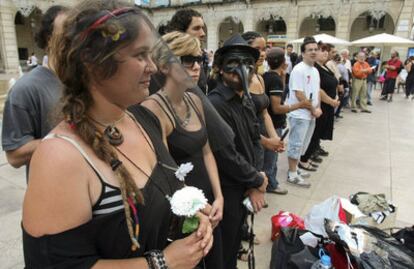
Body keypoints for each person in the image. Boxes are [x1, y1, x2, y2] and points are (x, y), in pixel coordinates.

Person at [22, 1, 213, 268]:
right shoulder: (60, 157)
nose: (154, 67)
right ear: (94, 63)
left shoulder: (144, 119)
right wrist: (162, 262)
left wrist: (192, 212)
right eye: (140, 55)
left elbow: (165, 191)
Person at [142, 31, 224, 269]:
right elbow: (165, 172)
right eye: (187, 60)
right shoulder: (153, 108)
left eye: (200, 60)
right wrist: (198, 206)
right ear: (165, 65)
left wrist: (218, 197)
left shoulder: (195, 100)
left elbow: (207, 152)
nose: (196, 67)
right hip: (182, 206)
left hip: (209, 200)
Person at [208, 34, 268, 269]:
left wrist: (257, 180)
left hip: (245, 183)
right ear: (221, 69)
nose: (241, 69)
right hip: (227, 188)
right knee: (223, 248)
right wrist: (255, 179)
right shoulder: (215, 104)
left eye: (247, 63)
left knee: (233, 244)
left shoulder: (246, 100)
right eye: (233, 62)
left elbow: (255, 140)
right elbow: (226, 155)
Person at [2, 5, 67, 177]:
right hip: (52, 191)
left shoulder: (88, 81)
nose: (75, 38)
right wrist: (68, 139)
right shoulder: (25, 89)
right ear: (49, 39)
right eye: (67, 31)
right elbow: (15, 156)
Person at [241, 31, 286, 195]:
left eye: (264, 49)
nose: (262, 53)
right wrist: (267, 141)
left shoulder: (259, 79)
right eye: (257, 49)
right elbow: (238, 123)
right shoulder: (237, 80)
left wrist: (274, 137)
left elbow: (265, 112)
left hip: (260, 141)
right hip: (246, 142)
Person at [264, 48, 310, 193]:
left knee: (270, 158)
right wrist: (300, 105)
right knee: (271, 159)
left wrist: (283, 77)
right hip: (273, 123)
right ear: (284, 62)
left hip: (269, 122)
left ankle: (270, 183)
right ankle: (270, 185)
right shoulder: (275, 79)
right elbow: (277, 107)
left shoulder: (267, 76)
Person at [286, 36, 322, 188]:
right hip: (299, 114)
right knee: (296, 143)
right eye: (310, 50)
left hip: (310, 114)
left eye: (315, 49)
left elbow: (317, 91)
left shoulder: (315, 70)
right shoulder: (298, 69)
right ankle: (292, 173)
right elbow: (299, 93)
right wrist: (313, 109)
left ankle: (297, 168)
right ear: (303, 53)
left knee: (303, 144)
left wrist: (318, 107)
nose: (313, 52)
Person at [299, 43, 340, 171]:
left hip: (326, 105)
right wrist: (331, 101)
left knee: (317, 134)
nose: (325, 53)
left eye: (325, 51)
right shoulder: (312, 68)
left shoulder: (323, 68)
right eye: (322, 51)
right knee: (314, 134)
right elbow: (318, 90)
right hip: (320, 105)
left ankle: (308, 156)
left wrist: (335, 98)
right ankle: (304, 159)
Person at [167, 8, 208, 93]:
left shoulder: (198, 61)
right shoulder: (164, 64)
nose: (203, 33)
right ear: (180, 31)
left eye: (199, 60)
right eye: (197, 28)